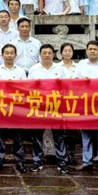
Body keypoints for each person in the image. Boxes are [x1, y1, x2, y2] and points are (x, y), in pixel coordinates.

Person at [27, 44, 70, 174]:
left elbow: (66, 87)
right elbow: (28, 88)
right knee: (37, 136)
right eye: (44, 53)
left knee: (59, 136)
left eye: (49, 53)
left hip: (56, 106)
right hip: (39, 106)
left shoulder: (60, 69)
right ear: (40, 54)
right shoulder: (34, 69)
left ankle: (62, 162)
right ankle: (37, 161)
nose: (46, 55)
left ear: (53, 54)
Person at [73, 40, 98, 176]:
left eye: (95, 49)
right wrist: (81, 81)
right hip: (85, 104)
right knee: (86, 134)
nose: (92, 51)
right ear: (86, 51)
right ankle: (86, 161)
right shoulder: (81, 64)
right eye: (90, 49)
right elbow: (74, 82)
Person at [0, 44, 27, 173]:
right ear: (2, 55)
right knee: (0, 136)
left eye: (12, 53)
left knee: (18, 137)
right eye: (7, 53)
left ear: (15, 55)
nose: (9, 55)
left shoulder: (20, 71)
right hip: (1, 107)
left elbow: (25, 89)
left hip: (16, 108)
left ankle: (20, 162)